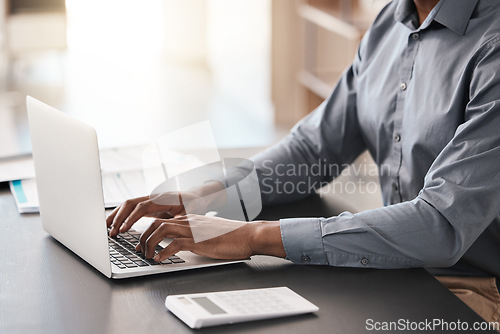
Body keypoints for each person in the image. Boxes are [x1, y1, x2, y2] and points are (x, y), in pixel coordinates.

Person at [107, 0, 500, 324]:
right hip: (394, 268)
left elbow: (440, 224)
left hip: (470, 287)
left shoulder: (492, 47)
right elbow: (314, 149)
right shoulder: (390, 24)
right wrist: (212, 195)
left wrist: (252, 235)